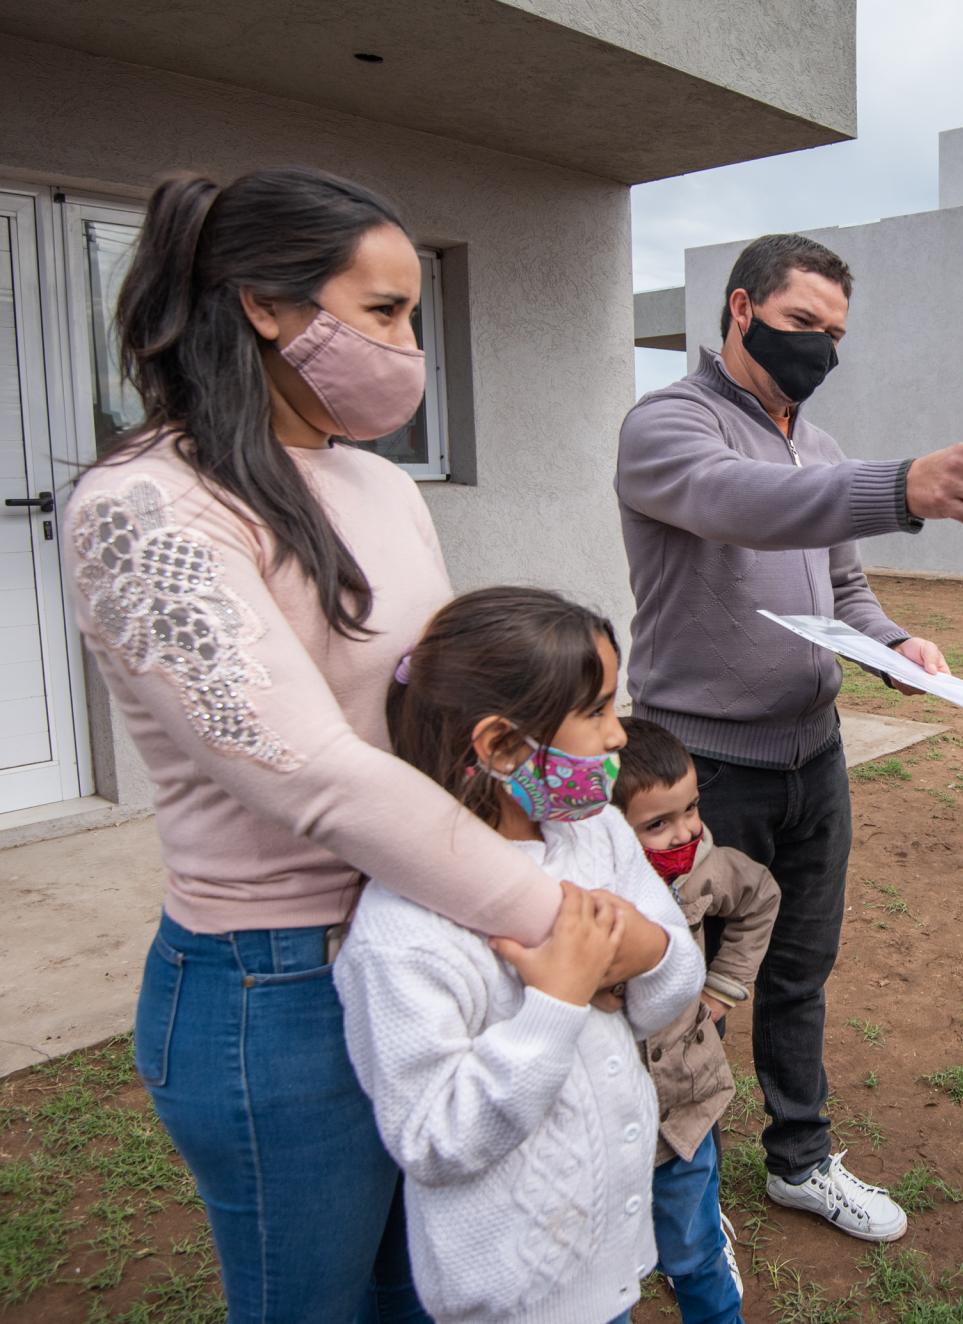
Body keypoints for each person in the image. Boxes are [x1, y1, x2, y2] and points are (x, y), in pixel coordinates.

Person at [65, 168, 660, 1321]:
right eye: (383, 312)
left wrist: (579, 817)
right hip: (277, 982)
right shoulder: (146, 507)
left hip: (436, 936)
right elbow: (321, 777)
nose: (408, 345)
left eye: (412, 315)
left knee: (428, 1286)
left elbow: (435, 718)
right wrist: (573, 927)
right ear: (264, 306)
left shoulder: (379, 484)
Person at [616, 233, 963, 1240]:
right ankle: (651, 1177)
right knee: (669, 981)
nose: (822, 348)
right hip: (700, 773)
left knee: (797, 968)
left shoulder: (823, 445)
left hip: (813, 755)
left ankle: (799, 1157)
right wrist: (901, 487)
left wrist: (897, 647)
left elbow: (844, 588)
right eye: (804, 324)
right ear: (741, 309)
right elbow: (740, 504)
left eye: (836, 333)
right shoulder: (668, 424)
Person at [336, 588, 702, 1324]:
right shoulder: (403, 929)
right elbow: (433, 1138)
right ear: (502, 746)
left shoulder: (594, 831)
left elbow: (677, 975)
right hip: (515, 1298)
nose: (618, 736)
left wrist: (640, 953)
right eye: (596, 711)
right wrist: (560, 1001)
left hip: (608, 1259)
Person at [613, 718, 781, 1324]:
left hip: (684, 1110)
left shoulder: (706, 869)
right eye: (656, 824)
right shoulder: (577, 892)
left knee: (697, 1254)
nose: (685, 830)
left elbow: (759, 896)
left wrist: (721, 989)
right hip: (603, 1129)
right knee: (606, 1279)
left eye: (691, 809)